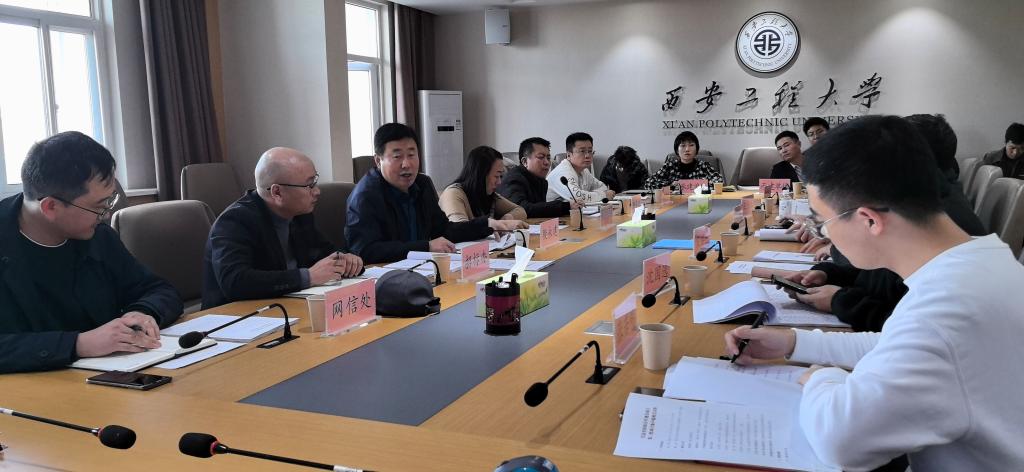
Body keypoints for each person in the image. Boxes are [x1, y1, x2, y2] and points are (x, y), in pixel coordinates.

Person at [725, 115, 1024, 471]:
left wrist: (819, 376)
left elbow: (840, 440)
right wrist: (794, 342)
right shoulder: (978, 259)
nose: (824, 235)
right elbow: (898, 343)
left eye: (823, 222)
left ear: (869, 219)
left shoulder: (946, 312)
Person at [783, 114, 986, 332]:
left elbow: (908, 323)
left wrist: (840, 300)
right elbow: (878, 279)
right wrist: (829, 274)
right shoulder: (920, 210)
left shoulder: (936, 232)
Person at [0, 132, 182, 374]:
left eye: (110, 201)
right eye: (99, 206)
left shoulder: (97, 236)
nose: (107, 214)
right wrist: (78, 344)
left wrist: (142, 312)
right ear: (51, 207)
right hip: (29, 387)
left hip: (109, 376)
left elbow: (158, 289)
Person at [202, 147, 363, 309]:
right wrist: (308, 277)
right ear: (277, 192)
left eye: (315, 182)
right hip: (236, 315)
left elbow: (323, 250)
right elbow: (235, 282)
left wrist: (345, 259)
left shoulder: (300, 214)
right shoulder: (234, 221)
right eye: (309, 185)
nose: (317, 191)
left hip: (287, 304)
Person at [347, 123, 519, 264]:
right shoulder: (365, 196)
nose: (406, 164)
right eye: (397, 157)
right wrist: (426, 247)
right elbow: (365, 251)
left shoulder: (422, 184)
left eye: (411, 155)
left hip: (423, 269)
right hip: (385, 278)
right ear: (378, 161)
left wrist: (487, 224)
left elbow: (444, 230)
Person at [440, 146, 528, 225]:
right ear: (480, 175)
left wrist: (505, 220)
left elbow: (520, 211)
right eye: (496, 176)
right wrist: (492, 225)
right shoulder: (453, 193)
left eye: (500, 176)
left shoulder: (488, 195)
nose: (499, 182)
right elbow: (460, 228)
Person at [497, 137, 575, 218]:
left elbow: (539, 211)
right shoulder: (514, 179)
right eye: (541, 157)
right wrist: (565, 206)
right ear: (525, 162)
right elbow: (522, 209)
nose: (547, 162)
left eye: (548, 158)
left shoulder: (541, 180)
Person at [546, 132, 614, 204]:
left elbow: (603, 187)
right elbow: (577, 197)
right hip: (553, 211)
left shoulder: (584, 171)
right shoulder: (563, 172)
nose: (587, 155)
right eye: (582, 151)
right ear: (569, 155)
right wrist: (603, 195)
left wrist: (591, 194)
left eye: (590, 151)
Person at [645, 131, 724, 189]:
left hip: (699, 202)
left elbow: (719, 181)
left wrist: (704, 183)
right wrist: (670, 184)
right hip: (674, 202)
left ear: (697, 149)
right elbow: (649, 183)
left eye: (691, 145)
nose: (687, 149)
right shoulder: (669, 166)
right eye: (683, 146)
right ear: (677, 150)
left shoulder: (704, 166)